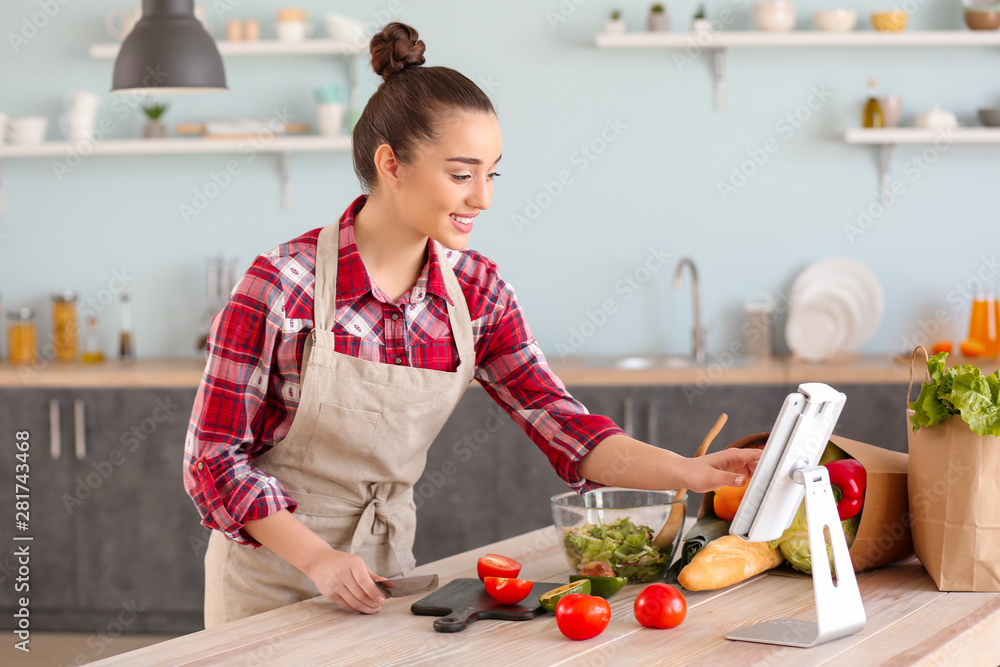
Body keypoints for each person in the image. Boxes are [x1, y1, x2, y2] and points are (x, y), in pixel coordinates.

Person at [183, 22, 760, 629]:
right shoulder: (281, 285)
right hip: (272, 578)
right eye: (462, 175)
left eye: (493, 174)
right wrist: (320, 558)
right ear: (391, 165)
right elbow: (214, 460)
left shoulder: (478, 292)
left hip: (387, 578)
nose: (483, 199)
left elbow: (563, 426)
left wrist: (690, 472)